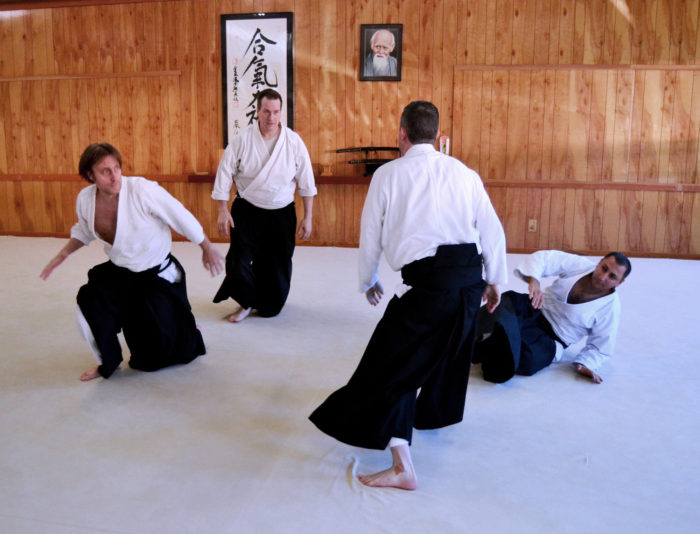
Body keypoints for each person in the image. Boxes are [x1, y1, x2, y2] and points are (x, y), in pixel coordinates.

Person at [309, 101, 508, 490]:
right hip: (469, 282)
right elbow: (491, 228)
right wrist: (495, 279)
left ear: (401, 134)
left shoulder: (388, 174)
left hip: (431, 287)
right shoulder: (464, 173)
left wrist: (368, 280)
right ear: (436, 134)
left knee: (391, 366)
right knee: (431, 352)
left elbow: (371, 234)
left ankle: (403, 467)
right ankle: (425, 419)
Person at [40, 143, 224, 381]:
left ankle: (186, 327)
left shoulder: (142, 190)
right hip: (122, 271)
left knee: (153, 359)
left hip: (157, 272)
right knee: (90, 301)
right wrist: (63, 255)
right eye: (105, 171)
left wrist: (206, 246)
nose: (114, 176)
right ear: (90, 175)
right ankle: (109, 361)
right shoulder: (86, 200)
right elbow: (84, 230)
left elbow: (179, 215)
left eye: (117, 168)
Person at [212, 88, 317, 323]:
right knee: (237, 260)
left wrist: (308, 216)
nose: (271, 118)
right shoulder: (242, 140)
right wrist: (222, 210)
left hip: (281, 211)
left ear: (281, 113)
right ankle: (247, 301)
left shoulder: (293, 141)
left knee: (276, 263)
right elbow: (224, 175)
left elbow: (306, 182)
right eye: (267, 112)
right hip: (247, 209)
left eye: (276, 112)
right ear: (257, 111)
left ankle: (267, 302)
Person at [473, 250, 631, 385]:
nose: (603, 277)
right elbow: (545, 258)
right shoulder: (580, 266)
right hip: (535, 309)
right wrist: (534, 281)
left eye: (612, 276)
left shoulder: (610, 308)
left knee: (530, 359)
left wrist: (586, 364)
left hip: (552, 338)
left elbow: (601, 347)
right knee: (508, 300)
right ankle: (487, 339)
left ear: (620, 283)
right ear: (599, 262)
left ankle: (488, 342)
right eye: (603, 268)